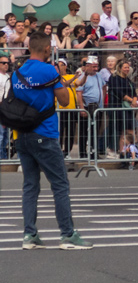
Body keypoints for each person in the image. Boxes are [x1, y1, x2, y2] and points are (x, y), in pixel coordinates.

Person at [11, 33, 93, 249]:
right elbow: (65, 101)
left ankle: (29, 235)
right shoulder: (49, 70)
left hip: (22, 134)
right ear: (47, 49)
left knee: (30, 185)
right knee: (59, 184)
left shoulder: (16, 72)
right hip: (45, 133)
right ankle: (67, 235)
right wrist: (64, 82)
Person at [106, 60, 137, 159]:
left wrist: (135, 100)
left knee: (128, 130)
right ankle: (112, 150)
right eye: (125, 67)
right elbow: (119, 92)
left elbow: (134, 92)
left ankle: (127, 151)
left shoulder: (128, 80)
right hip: (117, 107)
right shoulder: (114, 78)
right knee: (116, 129)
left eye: (128, 67)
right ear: (120, 68)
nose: (127, 69)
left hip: (127, 108)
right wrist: (131, 100)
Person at [74, 55, 103, 161]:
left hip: (97, 107)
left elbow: (103, 87)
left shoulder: (99, 76)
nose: (96, 69)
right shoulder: (83, 77)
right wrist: (82, 108)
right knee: (84, 131)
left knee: (95, 131)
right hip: (87, 107)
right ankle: (82, 153)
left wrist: (102, 104)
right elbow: (79, 93)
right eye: (93, 66)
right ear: (87, 66)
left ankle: (93, 152)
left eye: (97, 66)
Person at [54, 60, 81, 161]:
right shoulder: (56, 78)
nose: (59, 67)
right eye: (58, 66)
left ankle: (67, 152)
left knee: (70, 132)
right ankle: (58, 150)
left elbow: (79, 83)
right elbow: (63, 85)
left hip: (71, 109)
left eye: (61, 65)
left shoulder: (70, 76)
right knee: (59, 131)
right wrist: (74, 78)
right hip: (60, 110)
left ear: (65, 66)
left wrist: (85, 75)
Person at [0, 52, 11, 159]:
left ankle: (3, 159)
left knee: (5, 137)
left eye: (7, 63)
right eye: (3, 63)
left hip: (6, 109)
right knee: (1, 135)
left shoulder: (7, 76)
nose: (6, 65)